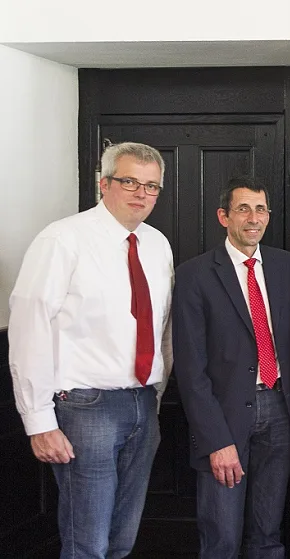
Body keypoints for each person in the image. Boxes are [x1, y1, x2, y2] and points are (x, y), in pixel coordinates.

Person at [8, 142, 173, 558]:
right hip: (85, 407)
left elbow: (163, 327)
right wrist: (38, 421)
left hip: (142, 403)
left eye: (152, 186)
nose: (141, 193)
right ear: (104, 183)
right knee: (88, 544)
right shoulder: (63, 239)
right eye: (130, 181)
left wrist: (156, 393)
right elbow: (30, 327)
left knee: (122, 540)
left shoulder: (157, 245)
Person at [172, 176, 290, 558]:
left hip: (279, 410)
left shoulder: (284, 265)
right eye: (243, 208)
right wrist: (216, 441)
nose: (253, 218)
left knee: (268, 531)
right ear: (223, 216)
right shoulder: (195, 274)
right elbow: (191, 367)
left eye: (260, 209)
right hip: (224, 418)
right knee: (222, 537)